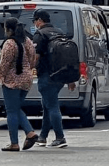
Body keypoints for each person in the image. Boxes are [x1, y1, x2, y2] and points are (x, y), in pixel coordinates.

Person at [0, 18, 40, 151]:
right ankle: (29, 133)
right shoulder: (28, 41)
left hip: (12, 81)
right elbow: (32, 61)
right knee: (16, 107)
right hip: (26, 79)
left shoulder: (9, 44)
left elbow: (3, 66)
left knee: (11, 111)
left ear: (8, 29)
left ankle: (15, 142)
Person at [32, 9, 76, 148]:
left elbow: (36, 57)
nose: (34, 24)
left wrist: (28, 69)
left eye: (35, 21)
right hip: (60, 75)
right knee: (47, 106)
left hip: (46, 75)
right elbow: (67, 57)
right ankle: (43, 137)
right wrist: (70, 79)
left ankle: (60, 137)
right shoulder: (59, 33)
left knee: (52, 106)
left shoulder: (40, 34)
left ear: (39, 20)